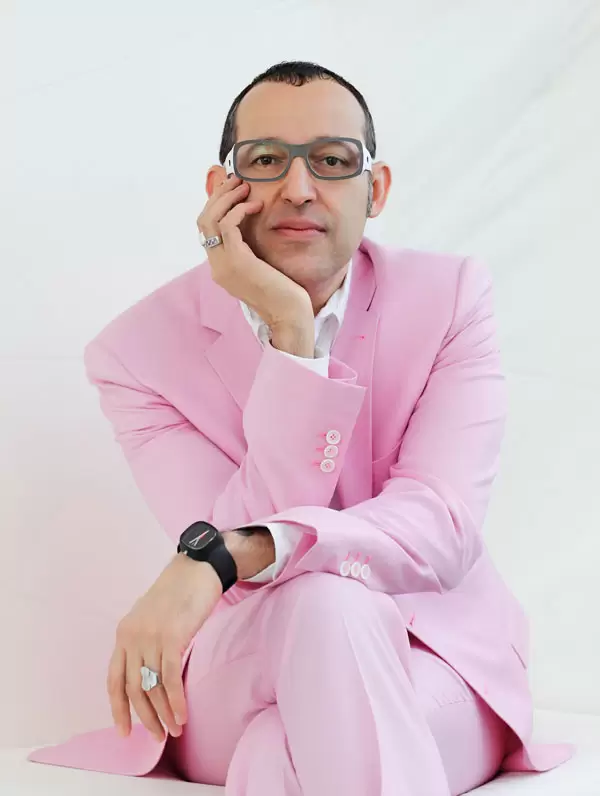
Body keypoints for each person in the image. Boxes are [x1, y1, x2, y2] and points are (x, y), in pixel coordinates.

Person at [27, 60, 573, 795]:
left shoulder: (449, 298)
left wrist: (247, 549)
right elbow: (242, 574)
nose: (298, 187)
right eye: (265, 160)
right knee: (320, 604)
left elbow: (441, 525)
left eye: (333, 160)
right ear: (221, 188)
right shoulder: (136, 355)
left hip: (432, 655)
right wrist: (290, 333)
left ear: (376, 189)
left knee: (276, 753)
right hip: (244, 665)